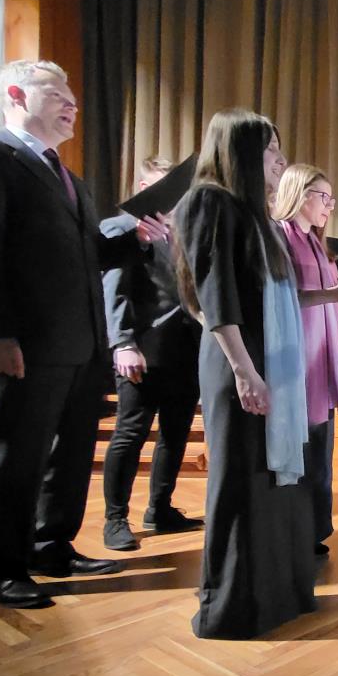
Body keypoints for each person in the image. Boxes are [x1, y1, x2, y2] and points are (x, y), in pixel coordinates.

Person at [0, 60, 158, 609]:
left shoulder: (71, 179)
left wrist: (136, 240)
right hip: (28, 343)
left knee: (70, 455)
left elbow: (89, 254)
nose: (73, 103)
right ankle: (1, 568)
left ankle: (52, 547)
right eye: (57, 94)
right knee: (17, 456)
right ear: (17, 94)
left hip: (82, 342)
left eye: (72, 95)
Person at [171, 108, 316, 639]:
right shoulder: (209, 201)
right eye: (270, 149)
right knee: (239, 480)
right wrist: (245, 371)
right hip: (239, 364)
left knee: (269, 482)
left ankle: (275, 595)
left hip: (263, 361)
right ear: (240, 151)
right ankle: (232, 606)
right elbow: (214, 297)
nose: (281, 159)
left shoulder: (254, 214)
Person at [272, 164, 338, 558]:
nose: (330, 206)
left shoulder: (318, 243)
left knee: (319, 452)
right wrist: (337, 294)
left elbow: (332, 297)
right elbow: (284, 298)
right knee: (298, 453)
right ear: (299, 194)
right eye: (324, 197)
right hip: (296, 359)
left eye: (332, 199)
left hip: (324, 358)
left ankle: (313, 529)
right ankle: (290, 533)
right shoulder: (279, 236)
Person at [99, 156, 205, 552]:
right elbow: (114, 289)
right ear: (145, 190)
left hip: (185, 348)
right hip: (143, 349)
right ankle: (115, 519)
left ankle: (159, 509)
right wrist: (123, 343)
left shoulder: (180, 235)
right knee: (131, 433)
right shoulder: (121, 229)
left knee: (175, 433)